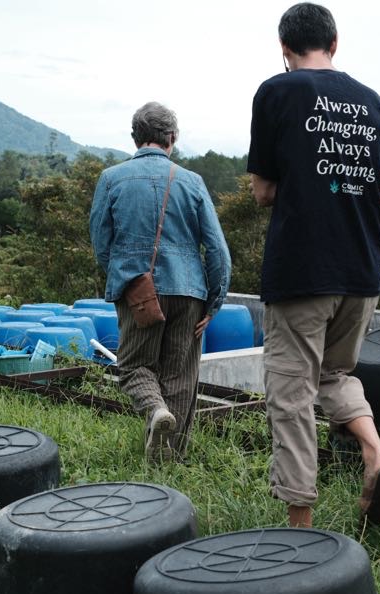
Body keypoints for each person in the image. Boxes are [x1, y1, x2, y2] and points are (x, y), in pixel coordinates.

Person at [248, 3, 380, 527]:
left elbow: (263, 190)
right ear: (335, 43)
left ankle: (300, 529)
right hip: (362, 267)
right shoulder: (372, 101)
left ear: (285, 51)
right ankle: (376, 452)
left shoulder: (277, 91)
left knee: (290, 395)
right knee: (335, 373)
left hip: (301, 269)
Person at [90, 102, 232, 462]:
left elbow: (101, 242)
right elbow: (217, 250)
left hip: (138, 291)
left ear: (136, 137)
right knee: (181, 378)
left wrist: (125, 280)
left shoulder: (111, 178)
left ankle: (154, 410)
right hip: (190, 293)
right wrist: (213, 303)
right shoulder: (193, 182)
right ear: (172, 138)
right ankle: (169, 463)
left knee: (135, 367)